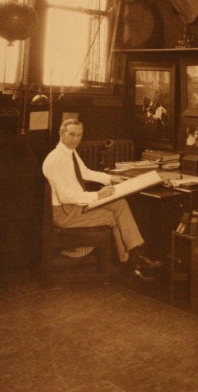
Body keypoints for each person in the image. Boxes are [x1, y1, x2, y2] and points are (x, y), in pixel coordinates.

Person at [42, 119, 159, 280]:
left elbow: (86, 172)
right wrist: (97, 195)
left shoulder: (70, 152)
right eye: (72, 134)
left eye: (79, 135)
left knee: (120, 203)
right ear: (61, 134)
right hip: (65, 213)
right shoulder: (55, 160)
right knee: (114, 217)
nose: (76, 139)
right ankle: (131, 263)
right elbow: (65, 196)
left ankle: (134, 257)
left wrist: (110, 179)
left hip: (76, 206)